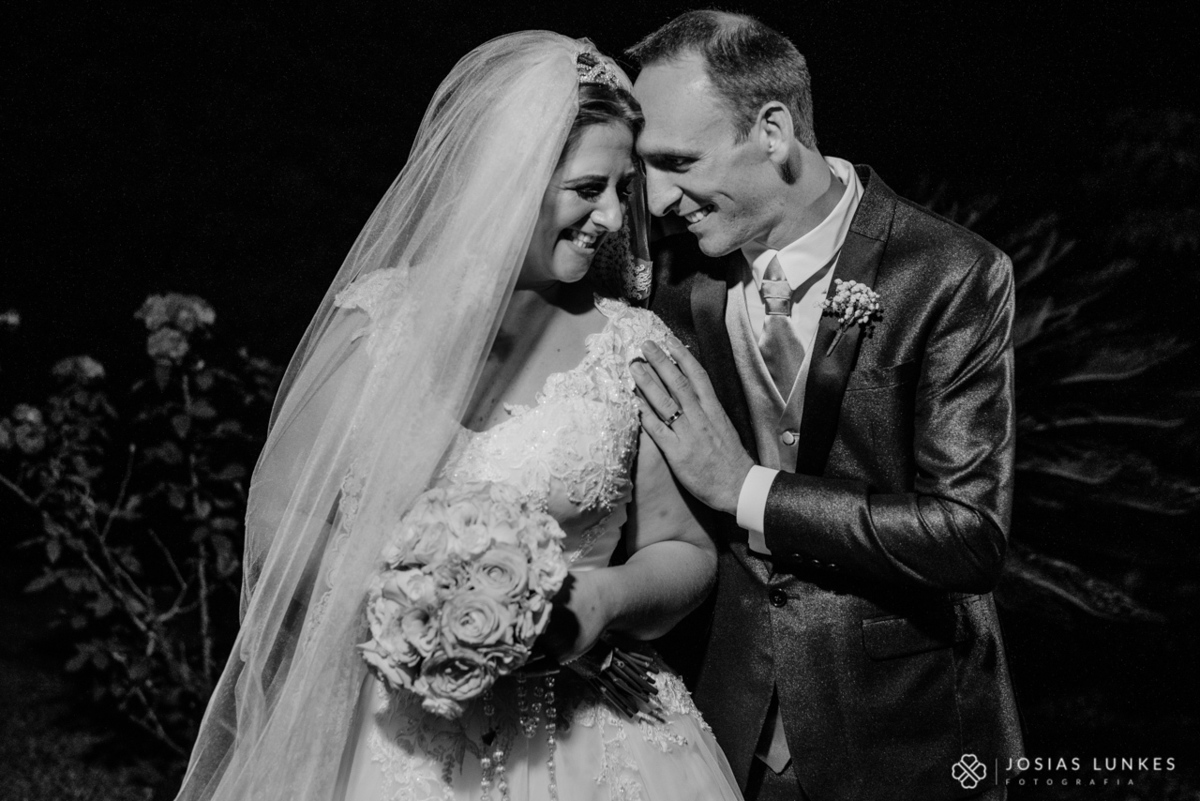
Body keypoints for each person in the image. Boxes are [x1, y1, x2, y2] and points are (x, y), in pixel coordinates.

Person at [174, 32, 742, 801]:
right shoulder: (376, 325)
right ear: (509, 182)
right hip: (383, 732)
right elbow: (282, 525)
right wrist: (415, 616)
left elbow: (685, 551)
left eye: (623, 187)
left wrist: (600, 602)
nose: (612, 215)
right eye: (587, 188)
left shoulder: (633, 346)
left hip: (580, 736)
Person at [625, 11, 1024, 801]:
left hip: (904, 733)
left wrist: (745, 489)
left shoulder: (948, 272)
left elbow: (969, 535)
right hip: (719, 730)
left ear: (772, 129)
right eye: (645, 167)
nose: (657, 197)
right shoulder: (677, 290)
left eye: (676, 161)